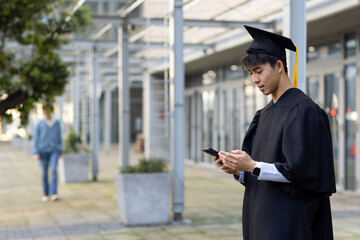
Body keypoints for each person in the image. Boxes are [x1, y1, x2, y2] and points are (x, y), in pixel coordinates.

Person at [214, 25, 336, 240]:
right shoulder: (264, 114)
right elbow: (258, 168)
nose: (255, 80)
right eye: (252, 73)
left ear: (279, 66)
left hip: (288, 219)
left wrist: (251, 166)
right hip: (258, 214)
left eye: (259, 71)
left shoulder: (304, 111)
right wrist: (237, 169)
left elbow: (304, 173)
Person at [33, 103, 62, 202]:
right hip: (43, 151)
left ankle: (54, 192)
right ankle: (45, 193)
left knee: (54, 169)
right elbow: (36, 138)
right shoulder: (40, 123)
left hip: (54, 150)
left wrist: (60, 150)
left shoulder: (57, 122)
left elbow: (59, 137)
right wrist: (36, 152)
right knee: (44, 173)